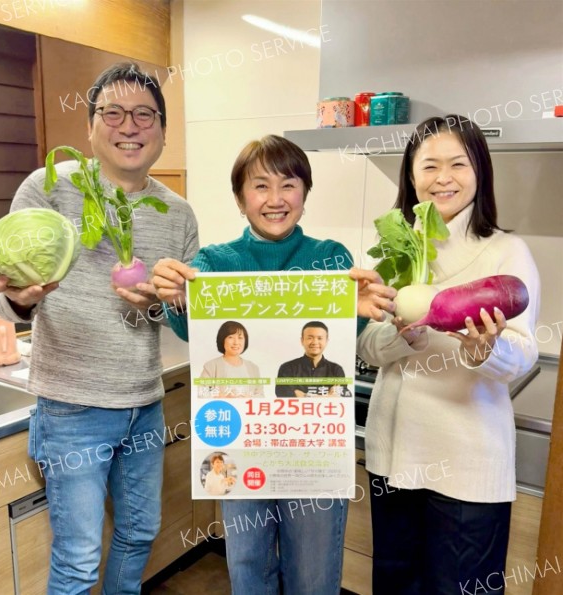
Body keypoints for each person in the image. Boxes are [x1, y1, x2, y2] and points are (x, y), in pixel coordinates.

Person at [0, 63, 199, 594]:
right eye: (113, 112)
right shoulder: (50, 187)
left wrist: (171, 301)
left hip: (144, 402)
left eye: (144, 115)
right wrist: (18, 297)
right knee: (79, 558)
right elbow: (4, 289)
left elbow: (191, 319)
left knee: (139, 534)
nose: (129, 126)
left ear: (163, 131)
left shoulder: (178, 213)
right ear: (90, 126)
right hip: (72, 406)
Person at [151, 134, 396, 595]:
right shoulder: (214, 263)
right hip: (241, 444)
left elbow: (347, 347)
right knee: (249, 569)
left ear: (305, 194)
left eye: (289, 184)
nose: (276, 199)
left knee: (314, 575)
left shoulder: (331, 259)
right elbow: (191, 334)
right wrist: (178, 298)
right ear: (241, 199)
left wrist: (358, 310)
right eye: (260, 186)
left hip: (312, 447)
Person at [358, 115, 540, 595]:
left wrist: (487, 350)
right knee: (396, 583)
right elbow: (368, 347)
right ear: (411, 175)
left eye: (458, 164)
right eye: (429, 165)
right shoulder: (396, 251)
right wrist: (406, 336)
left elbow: (523, 353)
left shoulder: (506, 252)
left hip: (466, 457)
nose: (443, 178)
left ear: (479, 171)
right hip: (393, 453)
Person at [276, 320, 352, 397]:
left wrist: (303, 395)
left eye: (319, 338)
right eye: (310, 338)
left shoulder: (336, 369)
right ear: (302, 340)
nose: (315, 342)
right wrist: (327, 397)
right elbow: (283, 393)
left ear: (326, 341)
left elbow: (345, 396)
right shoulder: (287, 367)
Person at [199, 320, 263, 397]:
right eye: (231, 337)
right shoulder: (211, 366)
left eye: (240, 338)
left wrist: (248, 398)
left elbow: (260, 394)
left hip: (247, 407)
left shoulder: (253, 367)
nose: (236, 342)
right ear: (222, 340)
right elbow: (202, 393)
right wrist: (222, 397)